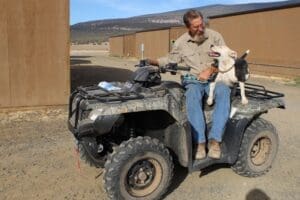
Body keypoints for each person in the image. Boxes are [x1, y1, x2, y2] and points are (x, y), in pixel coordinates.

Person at [148, 9, 230, 159]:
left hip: (215, 80)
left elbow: (225, 58)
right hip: (194, 81)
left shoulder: (215, 37)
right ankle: (200, 143)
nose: (201, 28)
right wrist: (152, 62)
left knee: (224, 91)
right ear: (188, 27)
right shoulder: (180, 43)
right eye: (196, 27)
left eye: (202, 24)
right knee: (191, 95)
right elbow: (170, 60)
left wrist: (210, 70)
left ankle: (215, 141)